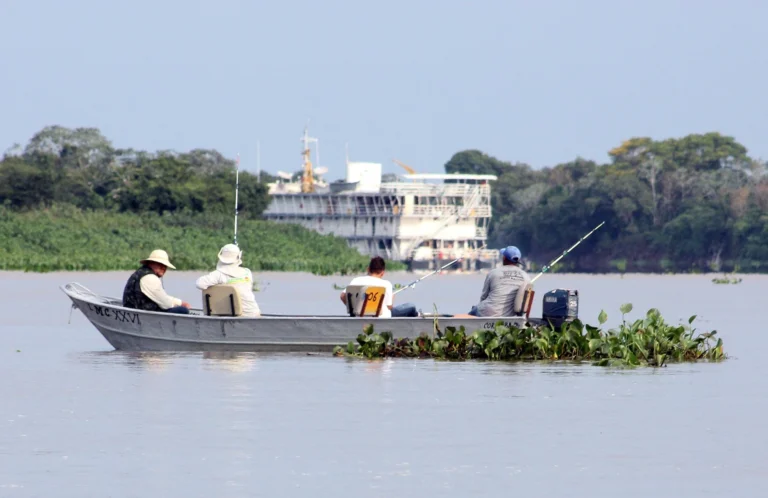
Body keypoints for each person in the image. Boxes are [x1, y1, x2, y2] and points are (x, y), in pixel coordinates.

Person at [461, 246, 530, 318]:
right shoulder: (525, 276)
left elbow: (484, 297)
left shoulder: (493, 273)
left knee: (474, 310)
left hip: (486, 311)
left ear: (504, 258)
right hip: (508, 315)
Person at [195, 244, 261, 317]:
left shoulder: (218, 275)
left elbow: (199, 284)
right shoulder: (247, 272)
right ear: (238, 257)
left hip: (235, 315)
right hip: (253, 313)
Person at [340, 256, 419, 317]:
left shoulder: (356, 280)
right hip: (382, 317)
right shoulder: (386, 284)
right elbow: (389, 307)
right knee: (411, 306)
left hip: (359, 316)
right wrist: (392, 297)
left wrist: (354, 310)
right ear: (382, 272)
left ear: (368, 269)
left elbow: (342, 296)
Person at [122, 249, 191, 314]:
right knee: (183, 310)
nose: (163, 267)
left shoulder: (140, 273)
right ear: (150, 263)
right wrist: (178, 305)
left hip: (135, 311)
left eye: (165, 265)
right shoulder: (150, 278)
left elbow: (161, 296)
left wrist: (180, 302)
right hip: (140, 314)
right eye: (159, 264)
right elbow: (166, 304)